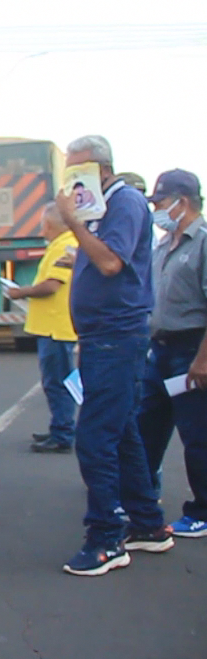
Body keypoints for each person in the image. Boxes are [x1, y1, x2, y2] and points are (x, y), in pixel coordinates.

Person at [57, 135, 169, 576]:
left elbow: (110, 264)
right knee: (122, 432)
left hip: (115, 336)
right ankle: (147, 523)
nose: (73, 179)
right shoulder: (101, 208)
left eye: (79, 170)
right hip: (102, 334)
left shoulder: (124, 203)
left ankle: (105, 538)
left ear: (102, 168)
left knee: (96, 436)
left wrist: (74, 224)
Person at [138, 168, 207, 539]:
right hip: (160, 350)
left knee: (197, 434)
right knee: (146, 427)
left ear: (182, 201)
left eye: (161, 202)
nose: (157, 210)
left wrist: (203, 360)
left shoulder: (203, 243)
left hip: (190, 350)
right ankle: (141, 501)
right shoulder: (163, 246)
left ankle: (202, 511)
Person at [5, 203, 80, 453]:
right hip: (53, 326)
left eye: (43, 225)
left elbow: (51, 285)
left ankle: (63, 433)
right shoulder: (62, 245)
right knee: (56, 381)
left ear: (49, 224)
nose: (42, 230)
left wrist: (21, 292)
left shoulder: (65, 247)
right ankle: (60, 427)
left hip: (56, 327)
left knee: (58, 382)